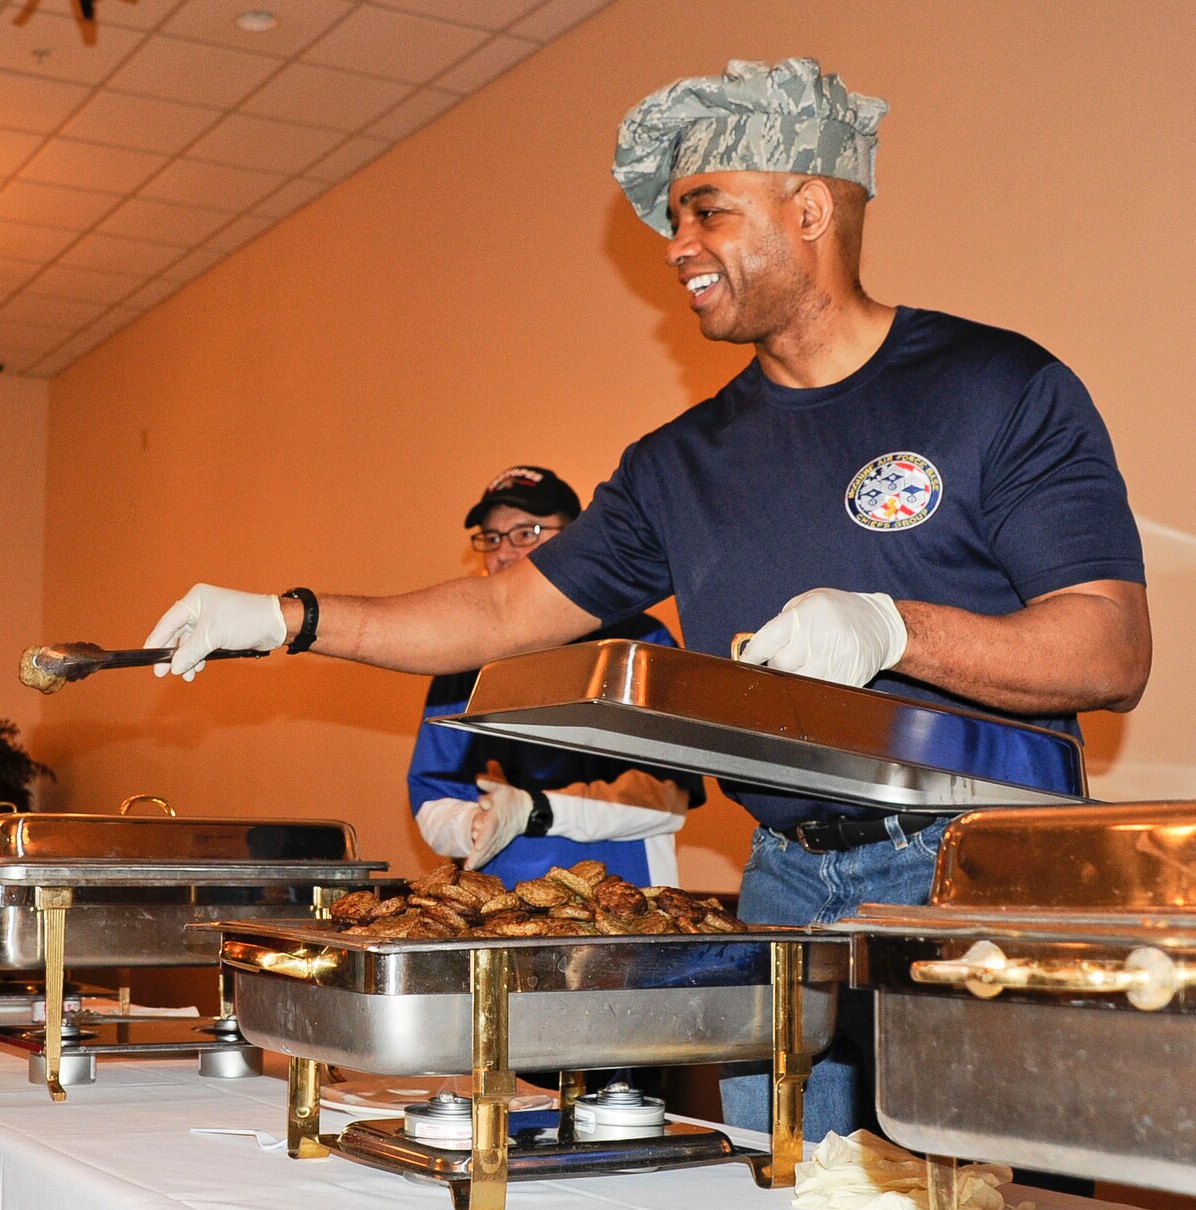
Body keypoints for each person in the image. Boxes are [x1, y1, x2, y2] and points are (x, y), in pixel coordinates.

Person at [143, 58, 1149, 1141]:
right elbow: (496, 618)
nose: (674, 246)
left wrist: (896, 628)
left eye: (703, 210)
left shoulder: (995, 387)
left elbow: (1107, 648)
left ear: (807, 207)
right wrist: (287, 616)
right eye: (673, 218)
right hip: (784, 882)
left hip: (974, 866)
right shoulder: (681, 462)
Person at [409, 466, 699, 888]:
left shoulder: (638, 645)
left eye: (527, 532)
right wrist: (474, 822)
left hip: (625, 910)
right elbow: (431, 793)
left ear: (575, 540)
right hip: (497, 912)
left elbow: (665, 800)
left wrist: (533, 810)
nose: (505, 552)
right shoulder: (467, 655)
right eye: (492, 538)